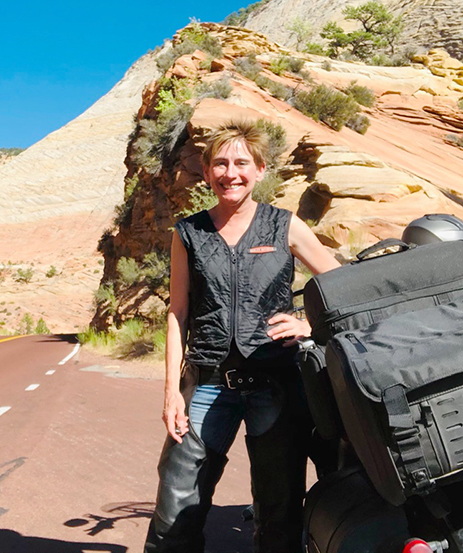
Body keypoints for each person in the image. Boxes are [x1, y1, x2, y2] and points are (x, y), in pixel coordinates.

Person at [144, 120, 341, 553]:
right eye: (219, 163)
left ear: (260, 169)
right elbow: (177, 312)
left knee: (278, 511)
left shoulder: (283, 226)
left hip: (277, 383)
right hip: (209, 381)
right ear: (207, 171)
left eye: (240, 163)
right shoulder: (188, 233)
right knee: (176, 507)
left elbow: (343, 288)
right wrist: (171, 393)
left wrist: (308, 325)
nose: (230, 173)